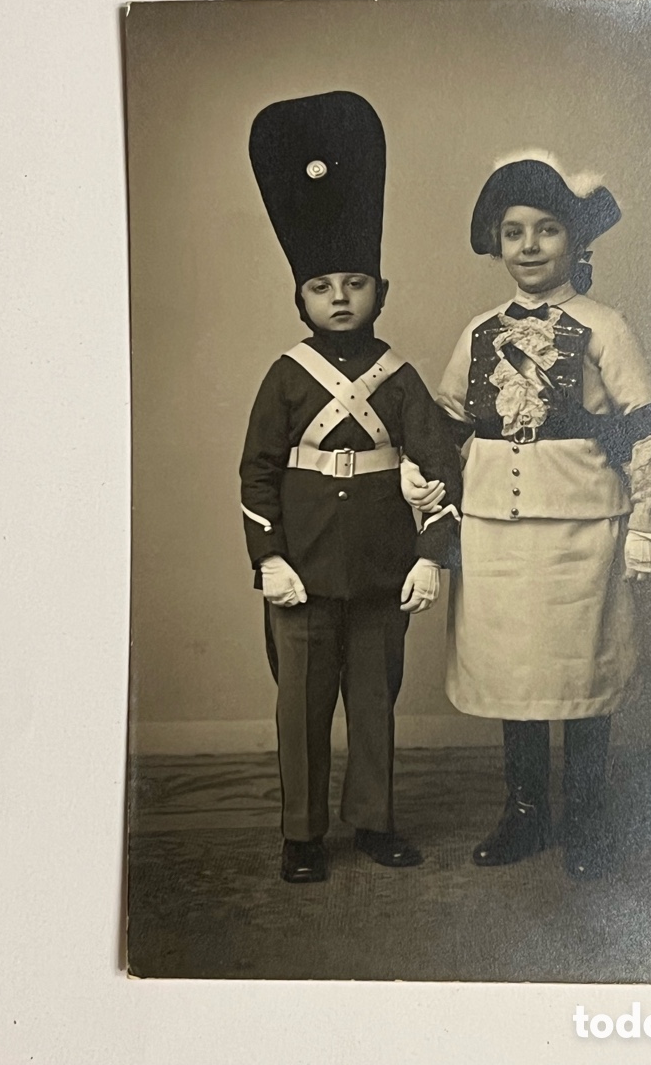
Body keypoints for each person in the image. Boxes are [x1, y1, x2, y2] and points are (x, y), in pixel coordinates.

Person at [403, 151, 651, 880]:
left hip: (581, 528)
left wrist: (648, 525)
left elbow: (649, 424)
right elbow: (443, 421)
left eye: (546, 230)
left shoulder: (605, 325)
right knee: (517, 676)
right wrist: (421, 465)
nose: (529, 247)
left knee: (581, 673)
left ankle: (588, 822)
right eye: (513, 232)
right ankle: (525, 814)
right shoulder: (478, 331)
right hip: (495, 529)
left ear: (575, 242)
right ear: (497, 244)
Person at [241, 91, 462, 884]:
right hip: (299, 573)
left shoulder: (401, 379)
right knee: (300, 709)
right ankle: (301, 834)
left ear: (382, 292)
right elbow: (257, 473)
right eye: (321, 284)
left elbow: (441, 471)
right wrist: (267, 557)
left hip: (380, 572)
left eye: (356, 282)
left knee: (373, 705)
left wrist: (430, 556)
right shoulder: (285, 377)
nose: (340, 296)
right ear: (299, 297)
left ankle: (375, 821)